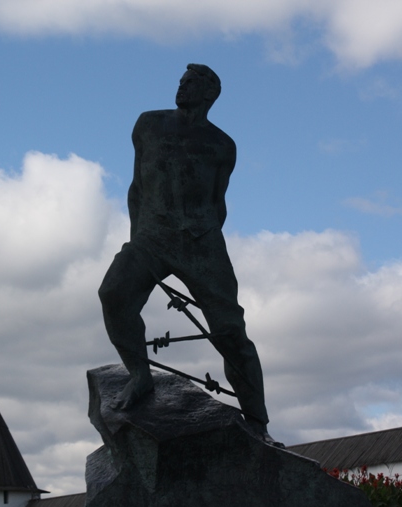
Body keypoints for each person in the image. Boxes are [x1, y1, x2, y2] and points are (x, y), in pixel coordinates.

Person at [98, 64, 279, 445]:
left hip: (201, 240)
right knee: (114, 293)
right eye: (180, 81)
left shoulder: (221, 145)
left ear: (210, 93)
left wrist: (205, 249)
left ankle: (257, 421)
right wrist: (139, 240)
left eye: (190, 82)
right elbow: (137, 187)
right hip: (151, 236)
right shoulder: (148, 124)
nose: (181, 87)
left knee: (231, 333)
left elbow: (218, 202)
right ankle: (140, 375)